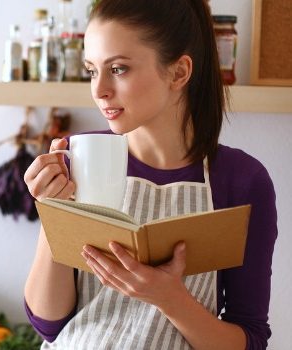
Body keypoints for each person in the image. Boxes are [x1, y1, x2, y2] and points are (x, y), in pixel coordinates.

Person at [22, 0, 278, 349]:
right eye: (92, 70)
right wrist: (52, 212)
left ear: (179, 72)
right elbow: (48, 325)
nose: (99, 91)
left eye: (119, 69)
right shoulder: (77, 158)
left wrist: (170, 298)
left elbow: (248, 339)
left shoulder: (241, 180)